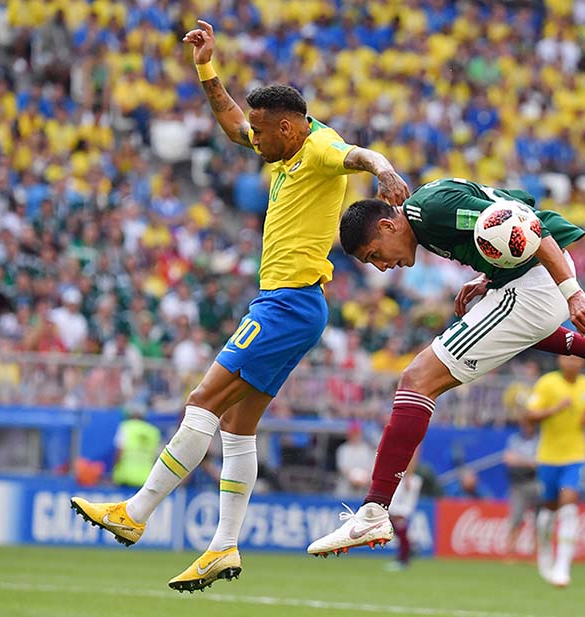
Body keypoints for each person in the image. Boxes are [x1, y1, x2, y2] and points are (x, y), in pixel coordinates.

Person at [70, 19, 409, 593]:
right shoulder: (283, 148)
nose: (253, 139)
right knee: (236, 424)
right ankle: (223, 546)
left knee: (202, 400)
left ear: (288, 127)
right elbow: (230, 122)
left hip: (286, 304)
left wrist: (384, 169)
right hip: (296, 306)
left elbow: (359, 154)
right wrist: (207, 67)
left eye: (262, 130)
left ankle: (137, 513)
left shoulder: (321, 146)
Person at [307, 178, 585, 557]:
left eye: (374, 255)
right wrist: (487, 277)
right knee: (501, 332)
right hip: (524, 281)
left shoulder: (430, 212)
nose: (382, 267)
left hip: (540, 283)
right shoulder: (425, 217)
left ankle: (375, 509)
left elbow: (528, 222)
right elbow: (513, 201)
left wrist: (573, 293)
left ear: (387, 226)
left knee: (416, 380)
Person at [527, 356, 585, 588]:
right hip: (548, 456)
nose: (573, 363)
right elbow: (530, 415)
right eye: (569, 358)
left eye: (578, 359)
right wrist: (556, 409)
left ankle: (562, 567)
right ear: (559, 359)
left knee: (568, 506)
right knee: (549, 508)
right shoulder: (547, 383)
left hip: (575, 456)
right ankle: (545, 552)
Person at [504, 410, 539, 551]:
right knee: (516, 517)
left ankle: (536, 552)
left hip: (536, 482)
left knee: (539, 519)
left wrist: (520, 460)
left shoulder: (540, 440)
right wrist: (528, 462)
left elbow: (539, 463)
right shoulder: (514, 439)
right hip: (518, 483)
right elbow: (508, 460)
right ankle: (509, 551)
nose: (527, 427)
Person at [385, 447, 423, 571]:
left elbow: (415, 451)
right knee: (391, 516)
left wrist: (408, 476)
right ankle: (410, 546)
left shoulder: (410, 433)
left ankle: (404, 557)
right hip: (400, 477)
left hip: (406, 479)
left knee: (398, 516)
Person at [111, 401, 162, 488]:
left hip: (125, 477)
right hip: (145, 479)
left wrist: (114, 470)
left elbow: (119, 452)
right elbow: (156, 457)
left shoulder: (126, 427)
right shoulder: (153, 432)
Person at [334, 421, 376, 497]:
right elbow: (343, 469)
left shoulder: (367, 449)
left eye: (357, 433)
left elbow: (372, 468)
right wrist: (354, 478)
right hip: (346, 487)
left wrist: (364, 479)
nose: (355, 435)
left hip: (364, 487)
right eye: (353, 433)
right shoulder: (343, 449)